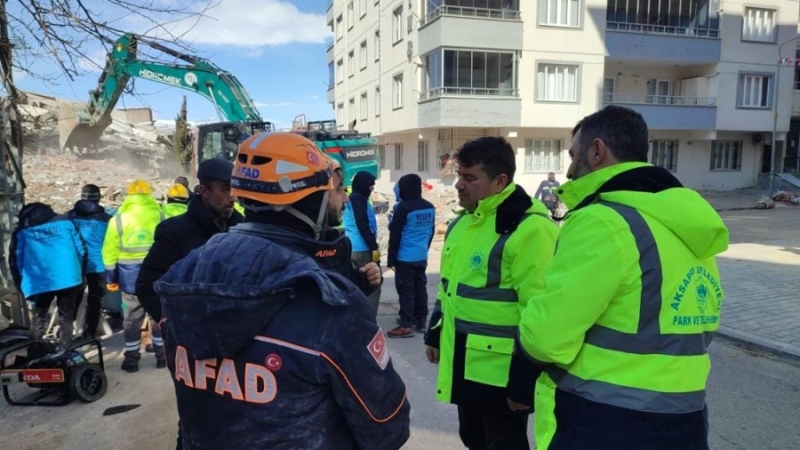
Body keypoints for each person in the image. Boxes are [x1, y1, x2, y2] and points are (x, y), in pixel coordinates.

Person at [154, 132, 410, 449]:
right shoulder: (331, 305)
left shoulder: (184, 276)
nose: (342, 199)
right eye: (332, 190)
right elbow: (386, 426)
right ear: (307, 199)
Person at [517, 105, 728, 450]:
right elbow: (701, 325)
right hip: (685, 417)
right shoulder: (689, 224)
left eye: (573, 155)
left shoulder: (602, 221)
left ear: (597, 151)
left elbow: (545, 338)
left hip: (604, 421)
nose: (569, 171)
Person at [424, 136, 559, 450]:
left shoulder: (530, 229)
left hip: (505, 370)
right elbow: (449, 289)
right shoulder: (464, 224)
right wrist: (434, 331)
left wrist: (525, 378)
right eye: (459, 175)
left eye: (469, 178)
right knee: (473, 438)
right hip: (466, 357)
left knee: (504, 444)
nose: (458, 185)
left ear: (500, 181)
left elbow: (540, 311)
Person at [137, 158, 243, 324]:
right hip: (196, 340)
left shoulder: (241, 229)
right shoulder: (174, 232)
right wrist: (178, 326)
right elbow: (147, 287)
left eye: (234, 189)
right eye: (225, 189)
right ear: (205, 191)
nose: (233, 198)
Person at [102, 179, 165, 373]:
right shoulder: (160, 215)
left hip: (129, 279)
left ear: (129, 196)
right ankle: (162, 355)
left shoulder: (118, 219)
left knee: (131, 318)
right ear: (148, 195)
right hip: (156, 275)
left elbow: (109, 252)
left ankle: (131, 359)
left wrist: (111, 279)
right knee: (158, 315)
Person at [9, 202, 87, 347]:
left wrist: (20, 283)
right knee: (66, 318)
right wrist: (80, 274)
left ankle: (34, 357)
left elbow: (15, 260)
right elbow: (81, 250)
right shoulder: (65, 222)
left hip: (39, 281)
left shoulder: (22, 231)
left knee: (39, 318)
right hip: (68, 278)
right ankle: (65, 354)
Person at [387, 174, 435, 338]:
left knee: (406, 290)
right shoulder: (429, 207)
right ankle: (421, 321)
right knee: (420, 288)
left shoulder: (403, 207)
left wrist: (391, 260)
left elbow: (395, 234)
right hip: (421, 256)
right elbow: (431, 231)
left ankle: (406, 324)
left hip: (405, 257)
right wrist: (424, 249)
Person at [67, 184, 112, 338]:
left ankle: (65, 334)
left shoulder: (69, 217)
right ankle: (89, 335)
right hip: (98, 265)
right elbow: (111, 243)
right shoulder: (107, 219)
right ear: (98, 198)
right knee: (94, 300)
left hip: (75, 265)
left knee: (73, 299)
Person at [342, 171, 381, 315]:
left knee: (356, 285)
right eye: (370, 184)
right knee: (372, 285)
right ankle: (368, 319)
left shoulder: (357, 198)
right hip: (362, 249)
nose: (372, 188)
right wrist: (374, 247)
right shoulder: (357, 199)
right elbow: (362, 224)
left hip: (355, 247)